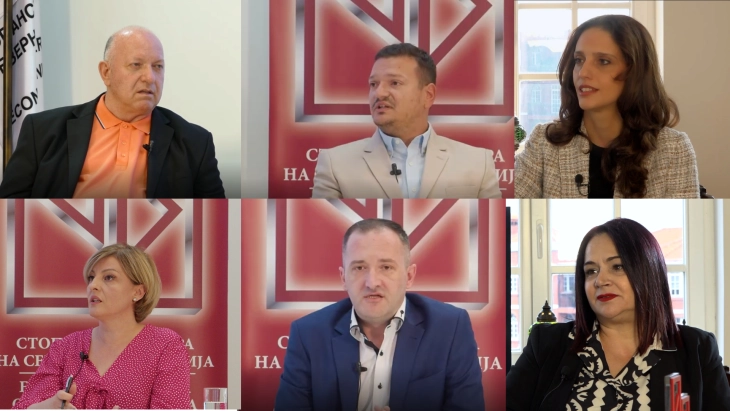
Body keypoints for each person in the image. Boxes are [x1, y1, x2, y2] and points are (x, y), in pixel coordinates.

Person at [506, 218, 730, 410]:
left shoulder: (698, 349)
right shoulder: (546, 343)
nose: (600, 280)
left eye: (617, 266)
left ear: (649, 270)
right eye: (591, 271)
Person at [274, 219, 485, 411]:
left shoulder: (450, 328)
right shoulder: (308, 334)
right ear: (343, 278)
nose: (372, 282)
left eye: (386, 267)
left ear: (409, 276)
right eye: (359, 268)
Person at [0, 26, 225, 198]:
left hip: (151, 245)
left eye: (158, 66)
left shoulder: (195, 143)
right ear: (106, 72)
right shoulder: (42, 131)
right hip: (60, 240)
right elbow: (8, 213)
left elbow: (216, 223)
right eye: (136, 65)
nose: (150, 77)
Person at [514, 15, 699, 198]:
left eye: (603, 61)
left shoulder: (674, 149)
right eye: (579, 60)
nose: (583, 73)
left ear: (635, 72)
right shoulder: (544, 142)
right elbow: (509, 204)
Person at [12, 244, 191, 409]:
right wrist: (44, 407)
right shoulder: (65, 347)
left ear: (138, 292)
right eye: (91, 278)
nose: (93, 285)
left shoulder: (165, 345)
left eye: (109, 277)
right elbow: (22, 408)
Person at [312, 43, 501, 199]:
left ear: (428, 95)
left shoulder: (478, 162)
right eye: (373, 84)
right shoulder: (334, 164)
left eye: (394, 83)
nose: (379, 93)